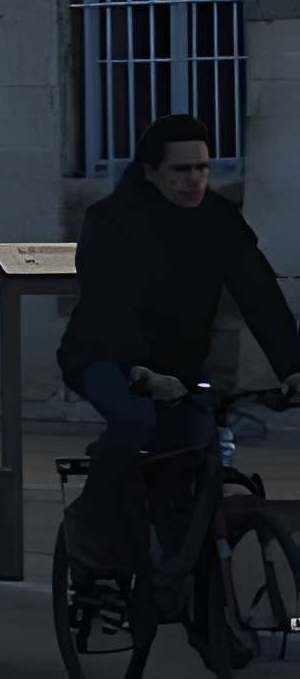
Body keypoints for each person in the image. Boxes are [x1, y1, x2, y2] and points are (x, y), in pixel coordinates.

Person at [57, 112, 300, 569]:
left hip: (181, 366)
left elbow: (260, 295)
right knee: (134, 421)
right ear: (150, 171)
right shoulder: (110, 220)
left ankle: (182, 567)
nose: (195, 180)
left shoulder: (219, 219)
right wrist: (141, 370)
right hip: (105, 356)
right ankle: (89, 531)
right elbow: (109, 304)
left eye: (203, 168)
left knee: (195, 444)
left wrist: (293, 367)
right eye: (182, 169)